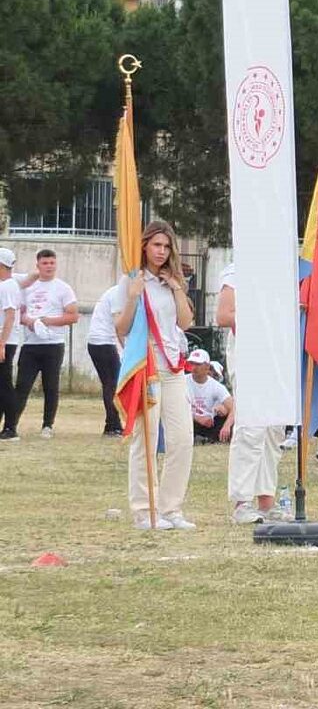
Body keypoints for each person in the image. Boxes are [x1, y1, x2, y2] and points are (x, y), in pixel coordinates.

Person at [116, 222, 196, 530]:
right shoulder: (132, 280)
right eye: (156, 245)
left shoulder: (170, 281)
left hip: (173, 367)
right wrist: (134, 296)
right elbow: (121, 328)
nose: (161, 251)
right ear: (145, 246)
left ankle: (171, 508)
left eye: (166, 246)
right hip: (146, 367)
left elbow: (186, 322)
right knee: (146, 441)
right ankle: (143, 510)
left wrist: (176, 287)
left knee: (182, 439)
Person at [216, 264, 286, 524]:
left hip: (277, 354)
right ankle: (242, 502)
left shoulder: (281, 270)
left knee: (273, 429)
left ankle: (266, 502)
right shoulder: (236, 272)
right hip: (250, 354)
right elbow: (223, 316)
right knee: (251, 428)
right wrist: (264, 315)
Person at [13, 248, 79, 437]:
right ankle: (12, 424)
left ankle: (47, 425)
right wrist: (30, 322)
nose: (49, 266)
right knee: (22, 386)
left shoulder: (63, 288)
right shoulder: (28, 287)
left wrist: (47, 321)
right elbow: (19, 312)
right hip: (30, 344)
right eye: (45, 263)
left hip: (53, 344)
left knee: (51, 386)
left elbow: (73, 316)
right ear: (38, 265)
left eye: (52, 263)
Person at [86, 279, 125, 435]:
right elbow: (119, 326)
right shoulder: (118, 294)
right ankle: (112, 425)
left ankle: (112, 423)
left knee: (111, 384)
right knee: (112, 384)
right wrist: (127, 349)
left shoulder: (119, 293)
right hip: (102, 342)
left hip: (102, 342)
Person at [187, 349, 232, 444]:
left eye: (198, 364)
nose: (194, 367)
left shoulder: (217, 386)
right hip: (189, 420)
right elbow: (175, 407)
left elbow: (233, 408)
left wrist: (227, 426)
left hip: (210, 423)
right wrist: (197, 418)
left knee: (225, 421)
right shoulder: (182, 381)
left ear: (207, 366)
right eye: (192, 364)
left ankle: (211, 439)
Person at [0, 248, 22, 440]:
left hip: (5, 340)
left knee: (5, 384)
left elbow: (10, 315)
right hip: (7, 340)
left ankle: (10, 427)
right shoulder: (11, 284)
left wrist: (2, 343)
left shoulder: (6, 286)